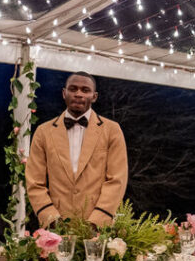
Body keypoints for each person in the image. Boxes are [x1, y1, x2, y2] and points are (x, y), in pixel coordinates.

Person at [26, 72, 128, 228]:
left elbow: (117, 179)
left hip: (98, 228)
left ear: (94, 96)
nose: (78, 94)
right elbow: (34, 181)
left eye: (85, 90)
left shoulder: (112, 130)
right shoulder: (43, 132)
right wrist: (51, 219)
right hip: (55, 228)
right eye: (73, 89)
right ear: (64, 93)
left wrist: (98, 220)